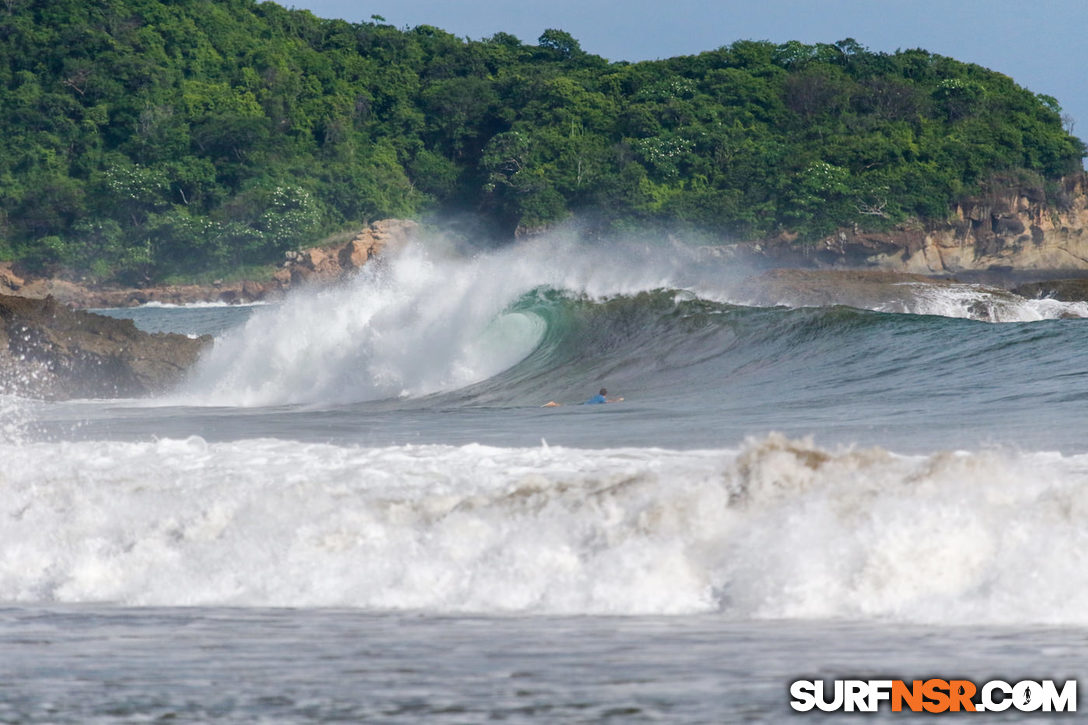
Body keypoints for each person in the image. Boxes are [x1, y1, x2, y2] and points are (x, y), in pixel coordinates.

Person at [541, 387, 623, 407]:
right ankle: (553, 404)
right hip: (585, 406)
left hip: (584, 404)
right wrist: (617, 400)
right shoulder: (602, 398)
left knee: (566, 406)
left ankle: (554, 404)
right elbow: (607, 402)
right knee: (566, 406)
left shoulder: (597, 396)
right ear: (605, 394)